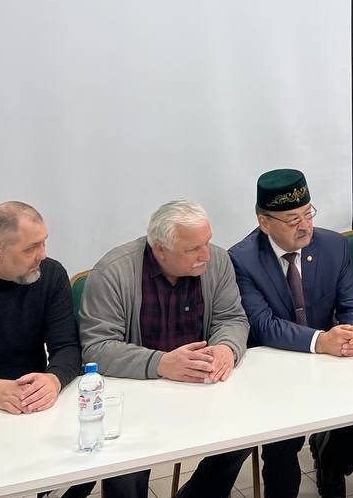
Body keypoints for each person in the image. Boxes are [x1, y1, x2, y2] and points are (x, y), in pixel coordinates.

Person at [79, 200, 251, 498]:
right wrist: (160, 363)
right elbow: (97, 348)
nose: (206, 255)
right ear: (160, 249)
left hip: (201, 388)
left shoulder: (218, 262)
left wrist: (226, 347)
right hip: (137, 393)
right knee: (125, 468)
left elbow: (232, 319)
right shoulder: (113, 272)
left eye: (207, 242)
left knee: (243, 436)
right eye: (193, 249)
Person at [230, 169, 353, 498]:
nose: (304, 226)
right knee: (283, 444)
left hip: (328, 364)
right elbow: (263, 324)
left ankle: (330, 460)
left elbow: (352, 303)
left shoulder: (333, 246)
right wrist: (321, 341)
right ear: (264, 222)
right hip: (275, 369)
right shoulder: (242, 259)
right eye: (292, 219)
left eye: (308, 213)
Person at [0, 202, 93, 498]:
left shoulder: (50, 275)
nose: (42, 254)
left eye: (44, 242)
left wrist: (53, 379)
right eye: (31, 248)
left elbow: (67, 347)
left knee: (90, 463)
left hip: (33, 406)